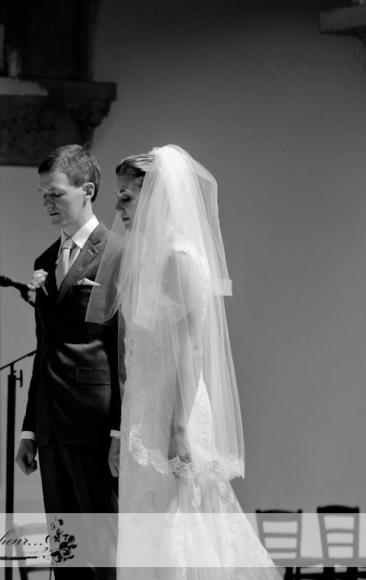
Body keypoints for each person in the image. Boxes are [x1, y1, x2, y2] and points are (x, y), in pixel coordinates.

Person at [88, 145, 280, 579]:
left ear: (157, 198)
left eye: (127, 197)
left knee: (178, 523)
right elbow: (133, 356)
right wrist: (122, 429)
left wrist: (177, 429)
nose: (117, 206)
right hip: (142, 414)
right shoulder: (146, 260)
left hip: (174, 416)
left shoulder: (179, 260)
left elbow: (191, 350)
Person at [16, 144, 121, 580]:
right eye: (43, 195)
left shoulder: (117, 254)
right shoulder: (44, 261)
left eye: (55, 193)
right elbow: (44, 349)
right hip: (52, 427)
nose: (47, 204)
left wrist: (119, 429)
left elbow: (123, 351)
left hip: (95, 424)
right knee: (67, 558)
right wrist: (28, 429)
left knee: (103, 553)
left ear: (87, 190)